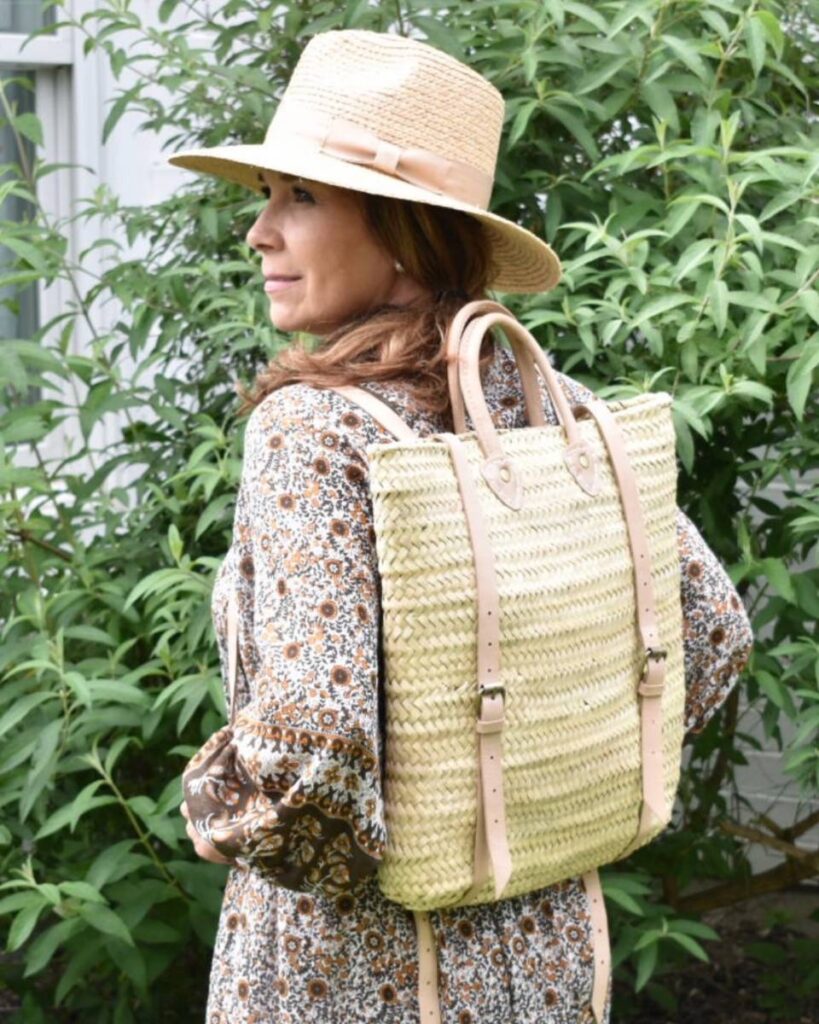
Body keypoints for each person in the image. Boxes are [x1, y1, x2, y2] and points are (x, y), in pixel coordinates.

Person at [168, 28, 754, 1024]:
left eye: (300, 197)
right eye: (266, 196)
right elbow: (712, 631)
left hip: (365, 967)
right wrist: (547, 778)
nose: (260, 232)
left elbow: (316, 744)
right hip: (551, 944)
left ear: (402, 226)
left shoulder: (312, 430)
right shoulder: (549, 404)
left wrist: (220, 808)